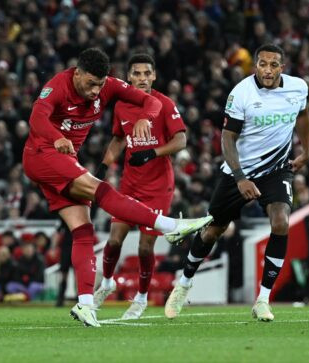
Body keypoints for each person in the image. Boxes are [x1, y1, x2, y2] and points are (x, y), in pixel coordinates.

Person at [21, 48, 212, 327]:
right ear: (77, 74)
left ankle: (86, 304)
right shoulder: (57, 87)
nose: (96, 90)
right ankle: (170, 226)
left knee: (83, 230)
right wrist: (57, 136)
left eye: (100, 84)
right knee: (101, 190)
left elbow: (150, 102)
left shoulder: (108, 87)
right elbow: (37, 118)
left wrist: (146, 116)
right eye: (90, 84)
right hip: (42, 154)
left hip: (63, 161)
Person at [164, 43, 309, 322]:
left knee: (281, 221)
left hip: (276, 169)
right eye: (262, 64)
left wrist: (306, 149)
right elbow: (227, 138)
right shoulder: (241, 93)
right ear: (255, 65)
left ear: (283, 67)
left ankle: (263, 300)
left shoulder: (298, 88)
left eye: (273, 64)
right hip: (238, 171)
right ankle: (183, 284)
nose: (267, 70)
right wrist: (241, 177)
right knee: (213, 231)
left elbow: (303, 115)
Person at [92, 54, 187, 319]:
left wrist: (152, 153)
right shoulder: (122, 105)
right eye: (137, 74)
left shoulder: (164, 104)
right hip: (129, 184)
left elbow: (181, 141)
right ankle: (107, 283)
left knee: (145, 247)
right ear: (129, 77)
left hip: (158, 186)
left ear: (154, 76)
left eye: (147, 74)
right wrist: (102, 168)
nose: (143, 78)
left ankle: (141, 299)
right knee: (113, 240)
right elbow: (117, 140)